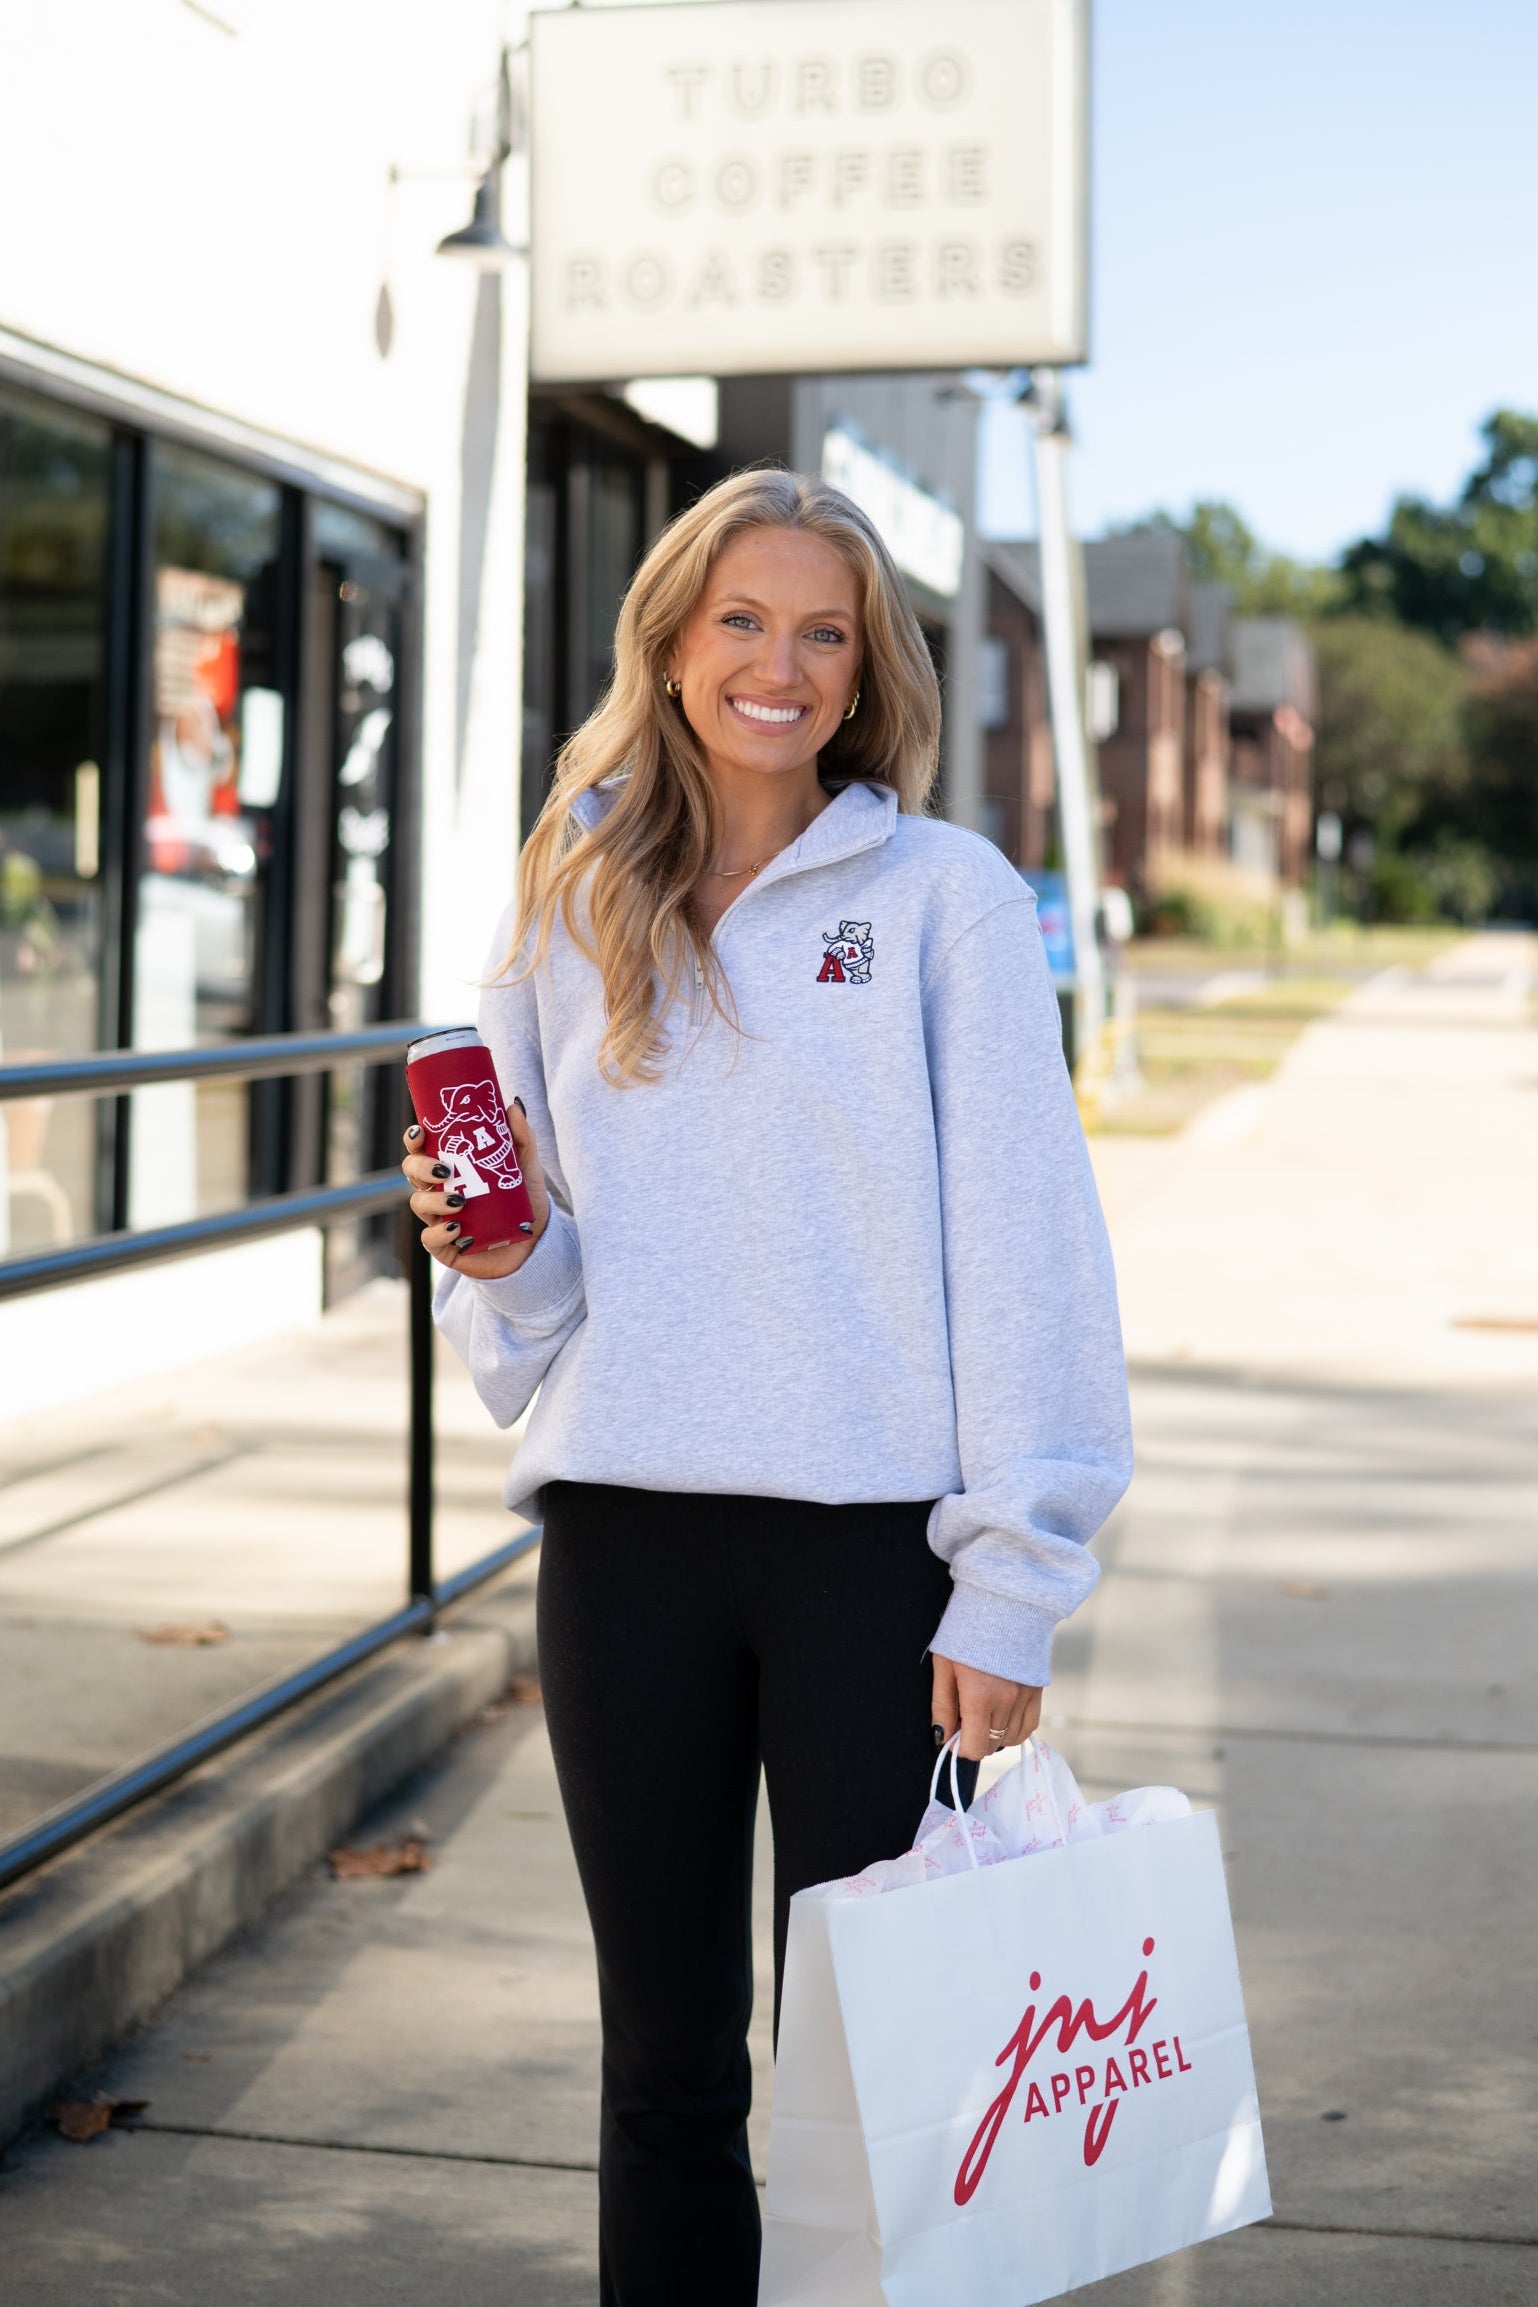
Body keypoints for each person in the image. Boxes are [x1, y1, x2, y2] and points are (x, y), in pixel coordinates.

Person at [402, 468, 1131, 2306]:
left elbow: (1029, 1251)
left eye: (822, 633)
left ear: (864, 666)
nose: (778, 667)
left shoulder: (945, 898)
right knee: (660, 2069)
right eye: (741, 621)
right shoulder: (570, 896)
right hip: (626, 1547)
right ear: (669, 639)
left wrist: (1015, 1580)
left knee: (871, 2079)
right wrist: (492, 1254)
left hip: (870, 1568)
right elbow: (542, 1282)